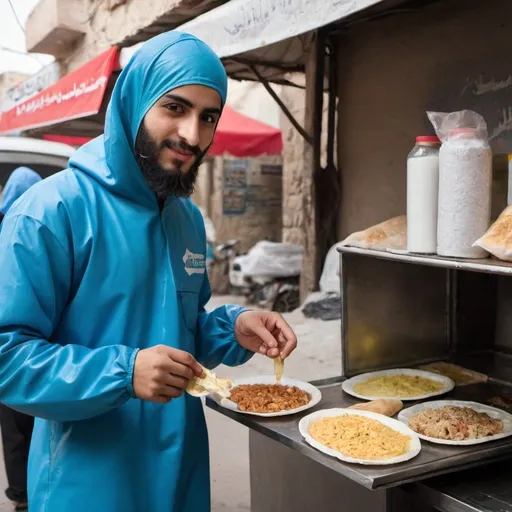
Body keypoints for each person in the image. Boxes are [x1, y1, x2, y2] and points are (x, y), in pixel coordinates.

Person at [0, 31, 297, 512]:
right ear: (134, 102)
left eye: (208, 117)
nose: (192, 136)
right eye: (175, 108)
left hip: (181, 475)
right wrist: (123, 373)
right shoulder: (51, 213)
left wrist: (234, 328)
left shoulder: (187, 219)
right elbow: (6, 357)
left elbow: (184, 332)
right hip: (88, 484)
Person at [0, 167, 42, 512]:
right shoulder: (37, 226)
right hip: (36, 344)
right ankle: (34, 490)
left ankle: (21, 494)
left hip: (7, 347)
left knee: (13, 428)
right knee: (39, 419)